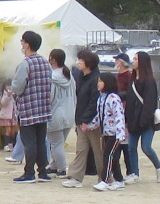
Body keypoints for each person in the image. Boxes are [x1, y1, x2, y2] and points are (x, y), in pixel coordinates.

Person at [9, 30, 53, 184]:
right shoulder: (45, 62)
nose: (21, 44)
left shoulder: (25, 64)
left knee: (29, 142)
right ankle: (42, 172)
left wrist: (13, 91)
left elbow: (18, 87)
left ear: (27, 44)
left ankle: (29, 173)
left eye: (22, 42)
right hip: (43, 108)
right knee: (41, 141)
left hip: (28, 109)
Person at [66, 47, 103, 186]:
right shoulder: (81, 77)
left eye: (81, 60)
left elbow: (94, 102)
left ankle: (105, 177)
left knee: (98, 151)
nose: (78, 62)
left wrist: (86, 120)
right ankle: (75, 177)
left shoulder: (95, 79)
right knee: (81, 150)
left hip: (92, 122)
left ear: (88, 62)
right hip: (81, 121)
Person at [130, 50, 160, 183]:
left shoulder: (149, 81)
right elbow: (130, 98)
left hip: (146, 122)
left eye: (135, 59)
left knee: (146, 147)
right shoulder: (132, 79)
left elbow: (149, 103)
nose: (133, 61)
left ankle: (159, 167)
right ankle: (135, 174)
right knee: (131, 147)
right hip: (134, 120)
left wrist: (143, 121)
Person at [93, 71, 130, 192]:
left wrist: (120, 134)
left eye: (100, 81)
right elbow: (99, 116)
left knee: (107, 155)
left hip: (115, 133)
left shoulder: (114, 98)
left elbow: (119, 116)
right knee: (113, 157)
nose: (98, 83)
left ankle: (105, 180)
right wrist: (90, 125)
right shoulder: (101, 98)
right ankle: (119, 180)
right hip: (106, 133)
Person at [47, 47, 71, 177]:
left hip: (55, 114)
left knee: (56, 144)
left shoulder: (52, 77)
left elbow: (49, 97)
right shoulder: (69, 75)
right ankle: (54, 166)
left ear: (53, 60)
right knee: (59, 143)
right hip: (69, 113)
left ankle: (61, 169)